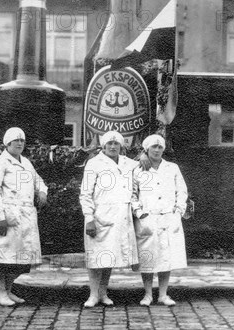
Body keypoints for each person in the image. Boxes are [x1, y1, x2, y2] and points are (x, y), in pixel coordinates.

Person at [0, 127, 48, 306]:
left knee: (19, 259)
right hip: (6, 214)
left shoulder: (26, 163)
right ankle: (0, 294)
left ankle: (8, 291)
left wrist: (42, 191)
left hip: (25, 216)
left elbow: (38, 180)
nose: (19, 143)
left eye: (22, 141)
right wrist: (0, 217)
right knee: (0, 258)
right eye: (15, 141)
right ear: (7, 143)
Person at [79, 130, 138, 307]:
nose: (113, 147)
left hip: (121, 217)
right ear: (103, 146)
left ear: (121, 146)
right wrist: (89, 217)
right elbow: (85, 193)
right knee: (96, 256)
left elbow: (145, 165)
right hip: (99, 216)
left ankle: (103, 293)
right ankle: (92, 295)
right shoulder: (94, 163)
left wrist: (144, 157)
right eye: (109, 144)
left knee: (109, 256)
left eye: (116, 144)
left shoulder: (129, 163)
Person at [132, 134, 188, 306]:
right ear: (146, 149)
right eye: (153, 147)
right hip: (147, 218)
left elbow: (182, 191)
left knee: (166, 257)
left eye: (160, 147)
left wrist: (178, 211)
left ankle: (163, 294)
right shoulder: (138, 169)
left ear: (164, 149)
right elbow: (132, 193)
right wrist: (139, 213)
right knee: (148, 256)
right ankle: (148, 294)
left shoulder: (172, 168)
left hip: (168, 217)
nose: (156, 150)